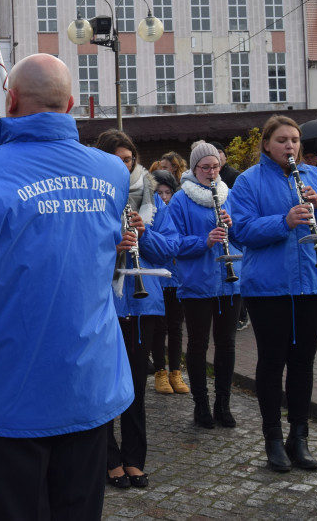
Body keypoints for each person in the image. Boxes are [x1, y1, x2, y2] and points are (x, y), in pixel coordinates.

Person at [0, 54, 133, 520]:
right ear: (71, 104)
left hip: (9, 389)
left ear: (11, 100)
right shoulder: (111, 173)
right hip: (88, 382)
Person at [231, 115, 317, 473]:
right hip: (268, 288)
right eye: (282, 140)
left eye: (295, 140)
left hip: (313, 283)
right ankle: (272, 438)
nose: (290, 146)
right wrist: (283, 221)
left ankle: (299, 438)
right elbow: (241, 230)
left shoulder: (316, 177)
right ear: (267, 144)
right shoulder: (248, 181)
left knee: (303, 363)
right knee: (271, 363)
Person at [94, 129, 176, 491]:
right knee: (105, 385)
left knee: (135, 389)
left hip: (144, 305)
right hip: (106, 304)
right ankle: (109, 459)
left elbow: (170, 248)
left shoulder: (152, 199)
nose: (123, 166)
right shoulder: (94, 197)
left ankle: (134, 459)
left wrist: (145, 234)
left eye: (128, 159)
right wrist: (113, 245)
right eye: (116, 159)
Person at [167, 141, 242, 429]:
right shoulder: (181, 200)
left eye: (216, 167)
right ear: (194, 168)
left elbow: (244, 237)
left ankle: (223, 403)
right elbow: (173, 244)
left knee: (227, 344)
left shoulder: (229, 195)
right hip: (197, 281)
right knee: (198, 344)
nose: (212, 172)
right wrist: (204, 241)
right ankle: (201, 404)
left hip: (230, 280)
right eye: (205, 167)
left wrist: (232, 227)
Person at [149, 170, 189, 397]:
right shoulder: (153, 211)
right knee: (159, 327)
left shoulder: (176, 211)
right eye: (159, 192)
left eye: (168, 192)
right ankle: (160, 371)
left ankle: (176, 370)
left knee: (176, 327)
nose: (164, 196)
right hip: (158, 278)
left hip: (176, 277)